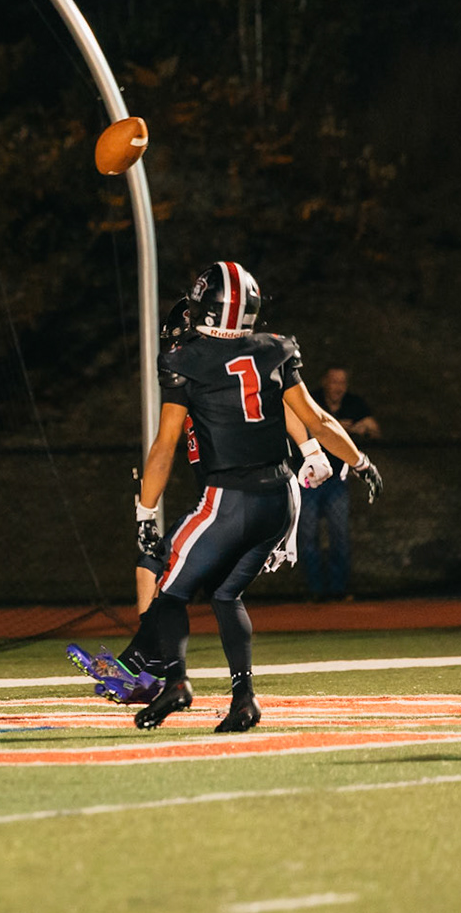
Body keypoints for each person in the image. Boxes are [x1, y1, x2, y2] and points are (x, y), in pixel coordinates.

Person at [122, 262, 381, 733]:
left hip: (229, 498)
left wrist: (144, 510)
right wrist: (359, 461)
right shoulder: (274, 349)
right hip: (279, 498)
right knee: (226, 594)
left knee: (167, 589)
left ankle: (171, 681)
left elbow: (164, 447)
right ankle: (244, 699)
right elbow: (318, 419)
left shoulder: (186, 360)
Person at [68, 299, 334, 702]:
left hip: (255, 494)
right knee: (212, 590)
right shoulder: (207, 372)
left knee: (162, 565)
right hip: (235, 496)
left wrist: (311, 449)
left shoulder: (215, 369)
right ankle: (223, 690)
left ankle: (143, 667)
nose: (175, 351)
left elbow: (281, 400)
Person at [299, 367, 380, 602]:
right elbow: (305, 427)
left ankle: (338, 589)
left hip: (337, 479)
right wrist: (332, 428)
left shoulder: (354, 404)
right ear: (324, 382)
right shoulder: (311, 400)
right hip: (310, 479)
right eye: (334, 381)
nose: (338, 387)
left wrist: (355, 430)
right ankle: (315, 590)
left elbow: (374, 429)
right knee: (307, 535)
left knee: (339, 534)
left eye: (342, 382)